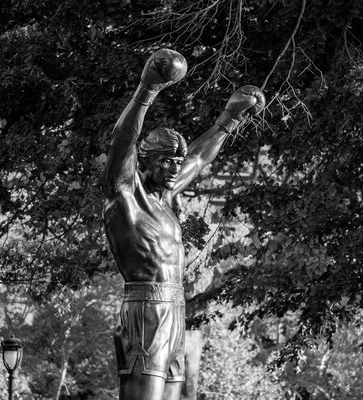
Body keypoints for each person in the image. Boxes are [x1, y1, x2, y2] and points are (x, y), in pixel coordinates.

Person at [102, 48, 265, 400]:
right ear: (146, 161)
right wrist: (148, 89)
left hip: (175, 309)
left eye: (176, 161)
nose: (175, 168)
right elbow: (123, 141)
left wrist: (229, 119)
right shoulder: (126, 195)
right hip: (145, 310)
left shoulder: (167, 198)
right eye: (166, 162)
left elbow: (199, 157)